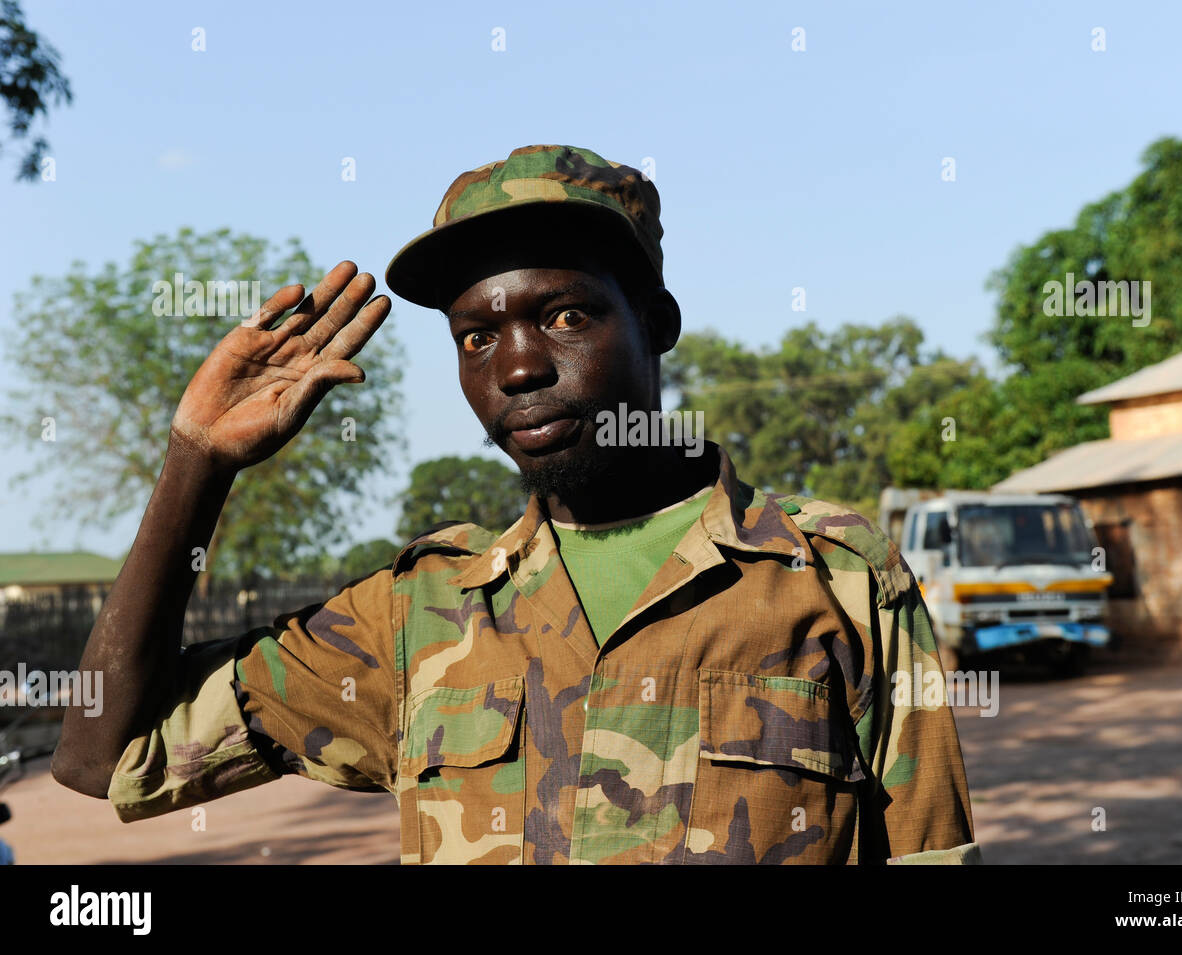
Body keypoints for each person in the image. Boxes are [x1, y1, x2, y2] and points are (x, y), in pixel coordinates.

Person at [52, 144, 981, 865]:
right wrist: (197, 462)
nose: (519, 365)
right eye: (475, 335)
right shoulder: (417, 616)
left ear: (654, 326)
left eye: (566, 314)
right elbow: (106, 753)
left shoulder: (834, 578)